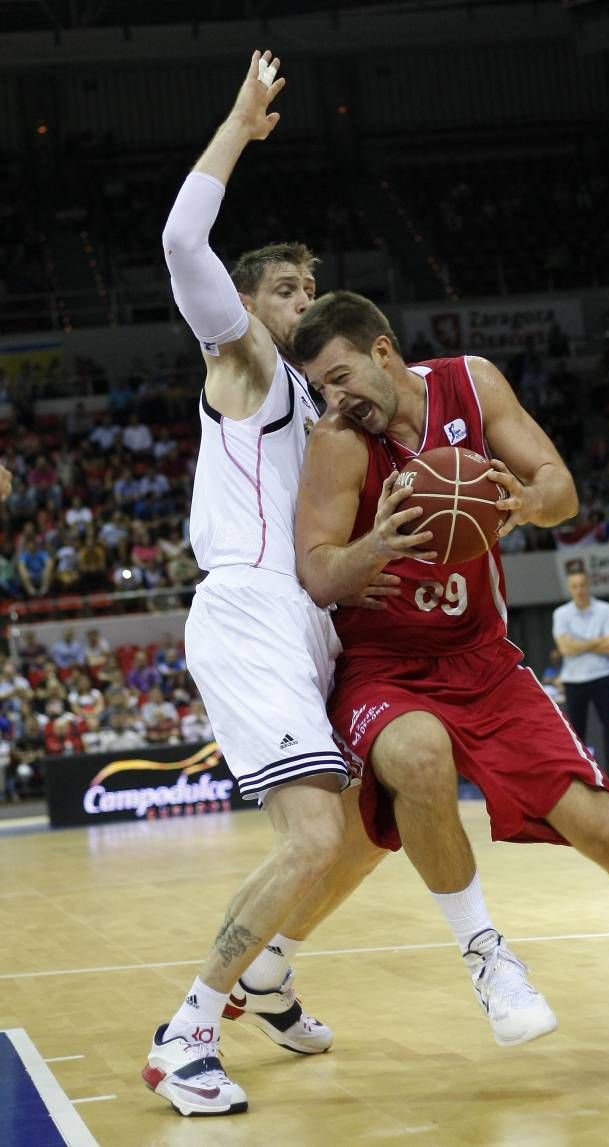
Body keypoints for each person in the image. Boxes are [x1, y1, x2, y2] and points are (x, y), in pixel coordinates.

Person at [291, 289, 609, 1070]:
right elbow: (319, 572)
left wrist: (527, 504)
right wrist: (377, 546)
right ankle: (490, 959)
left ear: (383, 350)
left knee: (608, 827)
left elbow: (560, 485)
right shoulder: (337, 443)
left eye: (340, 375)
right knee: (421, 757)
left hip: (485, 659)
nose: (335, 397)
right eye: (321, 387)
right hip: (385, 668)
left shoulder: (473, 384)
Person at [142, 52, 388, 1118]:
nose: (301, 298)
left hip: (309, 617)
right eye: (285, 286)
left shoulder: (324, 403)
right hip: (246, 606)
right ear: (247, 301)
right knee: (311, 835)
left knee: (376, 817)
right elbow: (176, 242)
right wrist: (239, 125)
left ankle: (271, 972)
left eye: (307, 283)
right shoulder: (242, 359)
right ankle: (187, 1031)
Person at [552, 571, 609, 795]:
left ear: (589, 585)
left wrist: (578, 644)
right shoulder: (561, 613)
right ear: (570, 588)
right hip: (574, 679)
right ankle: (582, 777)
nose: (579, 589)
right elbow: (565, 649)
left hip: (602, 675)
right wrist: (596, 642)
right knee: (576, 732)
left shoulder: (606, 610)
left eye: (583, 584)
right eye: (575, 586)